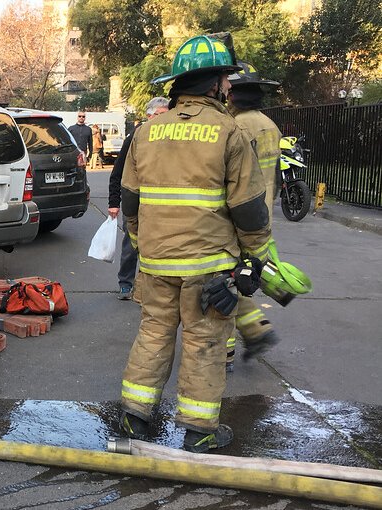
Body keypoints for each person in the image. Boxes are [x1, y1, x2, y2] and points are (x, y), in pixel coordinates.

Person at [117, 34, 271, 453]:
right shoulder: (229, 133)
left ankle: (135, 418)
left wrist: (142, 244)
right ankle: (199, 430)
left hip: (155, 263)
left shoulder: (146, 132)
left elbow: (129, 201)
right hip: (209, 267)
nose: (228, 87)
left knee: (153, 334)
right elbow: (249, 209)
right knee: (204, 342)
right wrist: (255, 259)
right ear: (216, 84)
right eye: (225, 79)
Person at [224, 61, 284, 370]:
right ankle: (255, 330)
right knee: (238, 279)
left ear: (233, 96)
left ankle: (228, 351)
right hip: (262, 215)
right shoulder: (269, 125)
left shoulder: (237, 127)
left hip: (239, 216)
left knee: (224, 283)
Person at [108, 97, 169, 301]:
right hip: (136, 201)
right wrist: (114, 203)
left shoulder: (170, 137)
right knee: (132, 244)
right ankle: (125, 283)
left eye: (166, 114)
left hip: (161, 205)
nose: (165, 119)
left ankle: (151, 286)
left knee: (158, 246)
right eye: (160, 115)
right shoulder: (136, 136)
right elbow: (118, 172)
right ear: (149, 116)